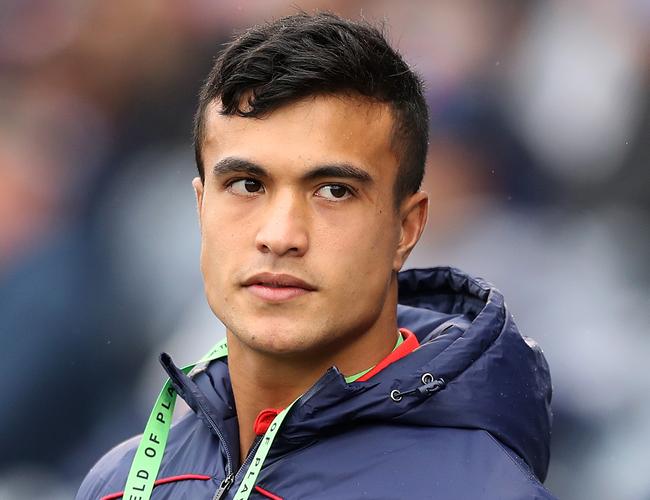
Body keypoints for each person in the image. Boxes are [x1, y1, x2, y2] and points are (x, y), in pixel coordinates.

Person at [77, 12, 554, 500]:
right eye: (246, 184)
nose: (280, 235)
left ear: (405, 229)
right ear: (201, 208)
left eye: (333, 191)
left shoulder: (479, 492)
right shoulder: (118, 482)